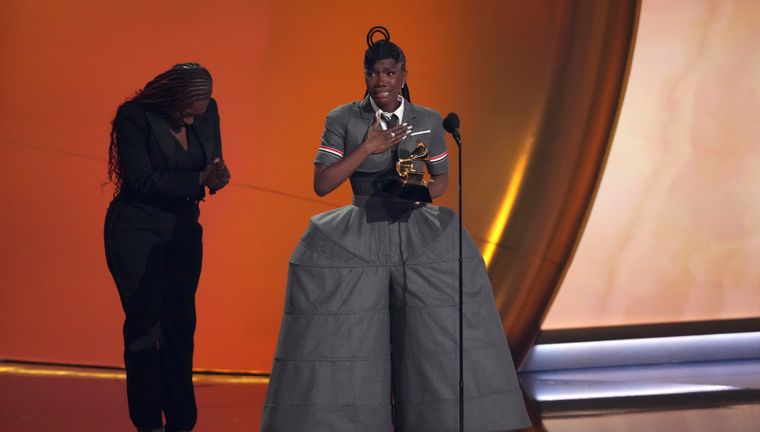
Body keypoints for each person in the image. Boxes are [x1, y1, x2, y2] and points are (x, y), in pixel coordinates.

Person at [261, 28, 531, 431]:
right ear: (365, 75)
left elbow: (440, 179)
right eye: (373, 73)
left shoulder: (428, 120)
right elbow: (323, 183)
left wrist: (420, 191)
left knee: (435, 337)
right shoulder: (344, 118)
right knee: (350, 338)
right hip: (360, 231)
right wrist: (366, 149)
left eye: (389, 73)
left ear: (403, 74)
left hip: (416, 232)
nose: (381, 81)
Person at [104, 63, 230, 432]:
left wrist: (217, 178)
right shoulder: (135, 117)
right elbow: (141, 179)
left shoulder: (207, 112)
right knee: (146, 326)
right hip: (136, 230)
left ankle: (181, 422)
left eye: (199, 112)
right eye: (186, 112)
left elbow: (210, 165)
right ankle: (148, 422)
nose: (191, 121)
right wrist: (197, 178)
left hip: (182, 230)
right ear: (170, 98)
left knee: (180, 325)